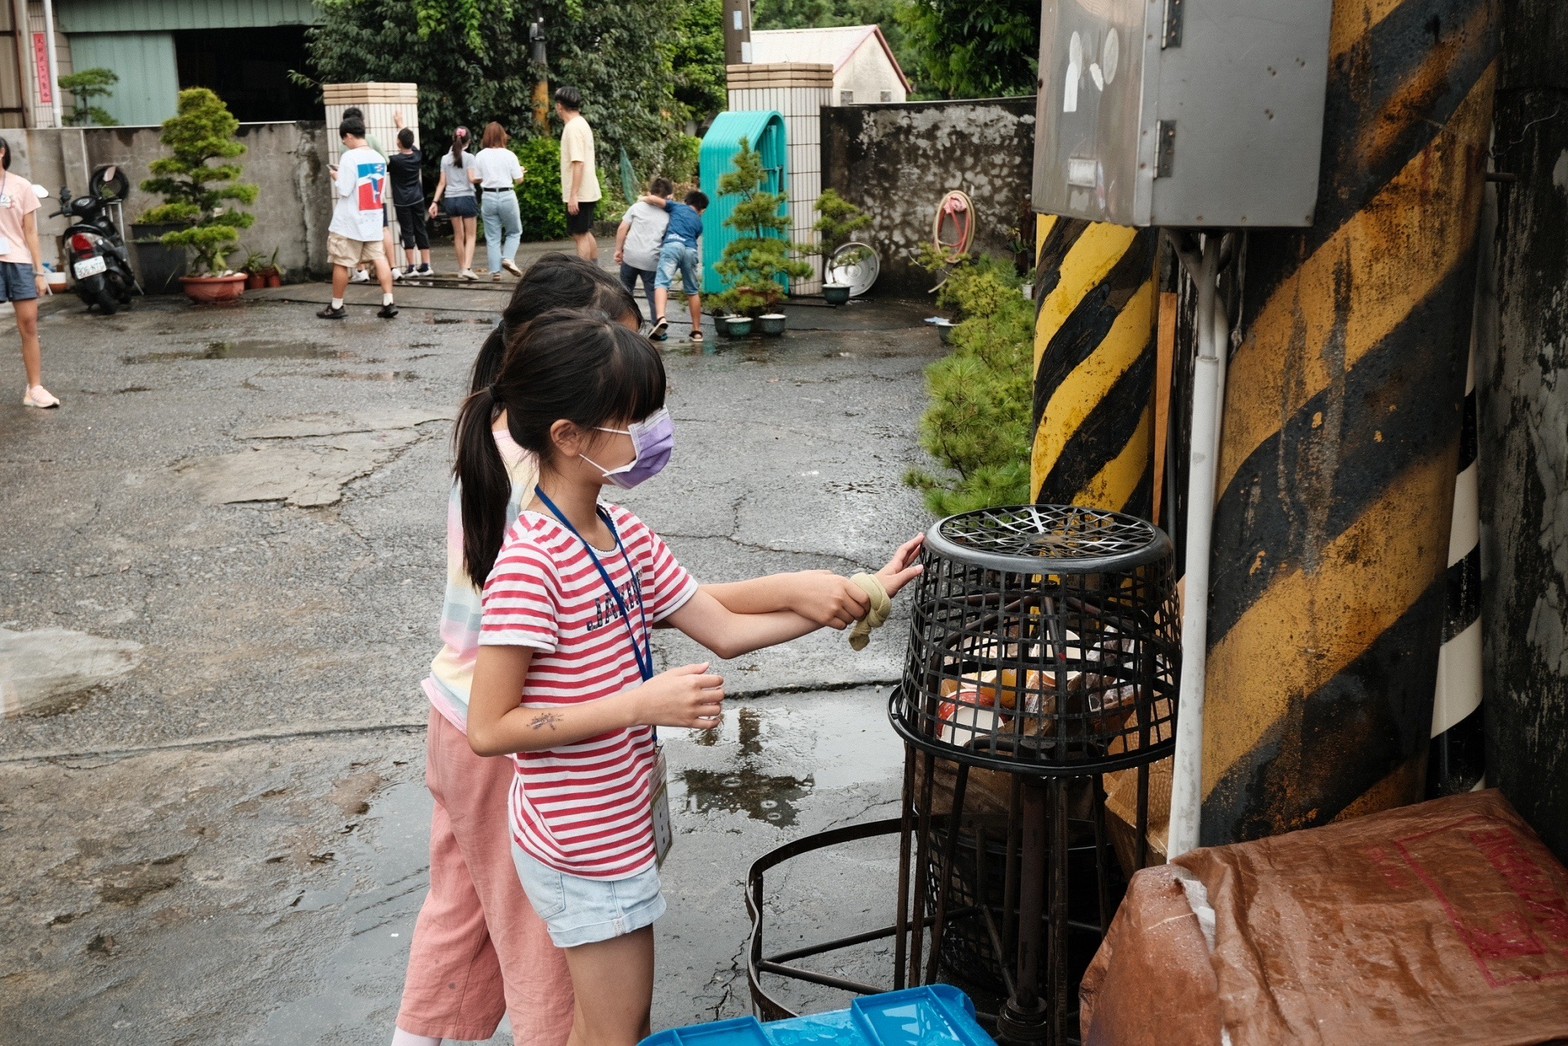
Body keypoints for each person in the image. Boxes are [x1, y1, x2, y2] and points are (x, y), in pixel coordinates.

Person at [394, 256, 896, 1046]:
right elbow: (492, 726)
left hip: (613, 824)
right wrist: (641, 704)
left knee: (582, 1000)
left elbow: (716, 623)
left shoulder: (620, 531)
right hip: (573, 836)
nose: (648, 434)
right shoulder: (532, 554)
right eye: (630, 416)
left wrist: (842, 595)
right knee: (586, 1015)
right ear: (567, 433)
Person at [319, 112, 398, 320]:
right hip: (372, 217)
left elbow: (345, 189)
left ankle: (337, 306)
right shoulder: (379, 158)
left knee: (341, 262)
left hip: (349, 221)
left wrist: (336, 176)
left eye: (344, 139)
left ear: (349, 136)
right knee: (379, 258)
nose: (344, 143)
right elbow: (379, 192)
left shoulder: (349, 157)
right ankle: (388, 301)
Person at [0, 136, 57, 408]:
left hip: (18, 261)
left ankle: (34, 388)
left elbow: (31, 232)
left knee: (29, 324)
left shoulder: (20, 186)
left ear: (2, 153)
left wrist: (39, 272)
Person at [343, 106, 398, 285]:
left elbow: (345, 180)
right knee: (383, 230)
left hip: (357, 201)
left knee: (355, 235)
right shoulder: (372, 140)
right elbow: (386, 161)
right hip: (376, 196)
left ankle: (361, 270)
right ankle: (394, 267)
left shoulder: (346, 145)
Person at [647, 190, 710, 344]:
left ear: (686, 201)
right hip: (690, 250)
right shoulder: (699, 223)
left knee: (662, 283)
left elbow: (654, 199)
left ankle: (661, 318)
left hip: (673, 246)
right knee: (692, 290)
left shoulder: (677, 207)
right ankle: (697, 331)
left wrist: (644, 198)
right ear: (702, 209)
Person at [613, 177, 671, 330]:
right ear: (668, 197)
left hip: (630, 257)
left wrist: (618, 250)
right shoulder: (668, 214)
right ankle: (658, 324)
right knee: (653, 294)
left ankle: (624, 324)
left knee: (625, 291)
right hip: (652, 260)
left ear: (649, 193)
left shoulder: (636, 207)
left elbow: (622, 229)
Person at [471, 122, 525, 281]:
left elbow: (475, 178)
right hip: (507, 194)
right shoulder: (509, 155)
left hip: (487, 196)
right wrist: (520, 171)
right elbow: (519, 180)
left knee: (493, 236)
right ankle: (508, 258)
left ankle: (496, 272)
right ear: (502, 136)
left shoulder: (480, 155)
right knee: (514, 231)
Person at [554, 87, 601, 263]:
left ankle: (585, 274)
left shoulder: (572, 128)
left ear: (559, 106)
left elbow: (577, 162)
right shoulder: (581, 123)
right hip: (588, 189)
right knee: (584, 232)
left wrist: (573, 195)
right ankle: (594, 271)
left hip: (580, 192)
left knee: (579, 234)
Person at [429, 127, 479, 281]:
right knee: (470, 235)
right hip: (466, 198)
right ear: (469, 141)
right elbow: (472, 179)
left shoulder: (445, 159)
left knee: (458, 235)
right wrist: (484, 178)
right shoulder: (469, 157)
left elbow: (442, 183)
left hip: (450, 200)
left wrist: (434, 202)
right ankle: (468, 268)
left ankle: (461, 268)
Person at [389, 120, 432, 279]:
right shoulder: (417, 155)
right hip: (417, 198)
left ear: (398, 142)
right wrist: (401, 124)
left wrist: (400, 127)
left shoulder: (394, 160)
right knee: (420, 228)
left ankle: (411, 266)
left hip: (402, 200)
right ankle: (426, 265)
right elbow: (409, 144)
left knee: (407, 231)